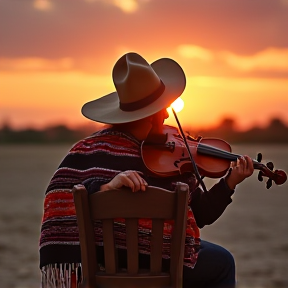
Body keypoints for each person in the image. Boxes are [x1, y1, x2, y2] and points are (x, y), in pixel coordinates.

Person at [39, 52, 254, 288]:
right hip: (163, 263)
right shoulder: (169, 166)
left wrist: (102, 187)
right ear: (155, 114)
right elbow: (201, 215)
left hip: (102, 262)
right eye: (163, 108)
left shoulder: (85, 151)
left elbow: (62, 194)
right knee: (222, 262)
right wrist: (229, 184)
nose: (165, 115)